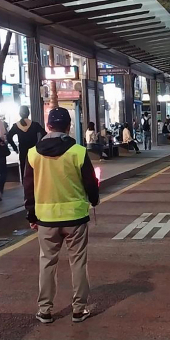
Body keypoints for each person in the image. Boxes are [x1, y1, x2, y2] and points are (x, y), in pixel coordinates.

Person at [24, 107, 99, 325]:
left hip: (46, 218)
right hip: (75, 218)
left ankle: (45, 310)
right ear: (68, 127)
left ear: (48, 127)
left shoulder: (32, 153)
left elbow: (28, 188)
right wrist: (93, 200)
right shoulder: (78, 152)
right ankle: (79, 309)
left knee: (47, 263)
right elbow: (90, 182)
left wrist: (31, 215)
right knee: (78, 263)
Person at [6, 106, 46, 182]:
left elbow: (9, 137)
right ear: (29, 113)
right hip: (34, 151)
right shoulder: (35, 124)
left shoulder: (16, 126)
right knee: (35, 170)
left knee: (24, 170)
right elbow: (44, 133)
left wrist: (15, 148)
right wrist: (39, 144)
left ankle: (26, 187)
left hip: (23, 151)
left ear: (19, 114)